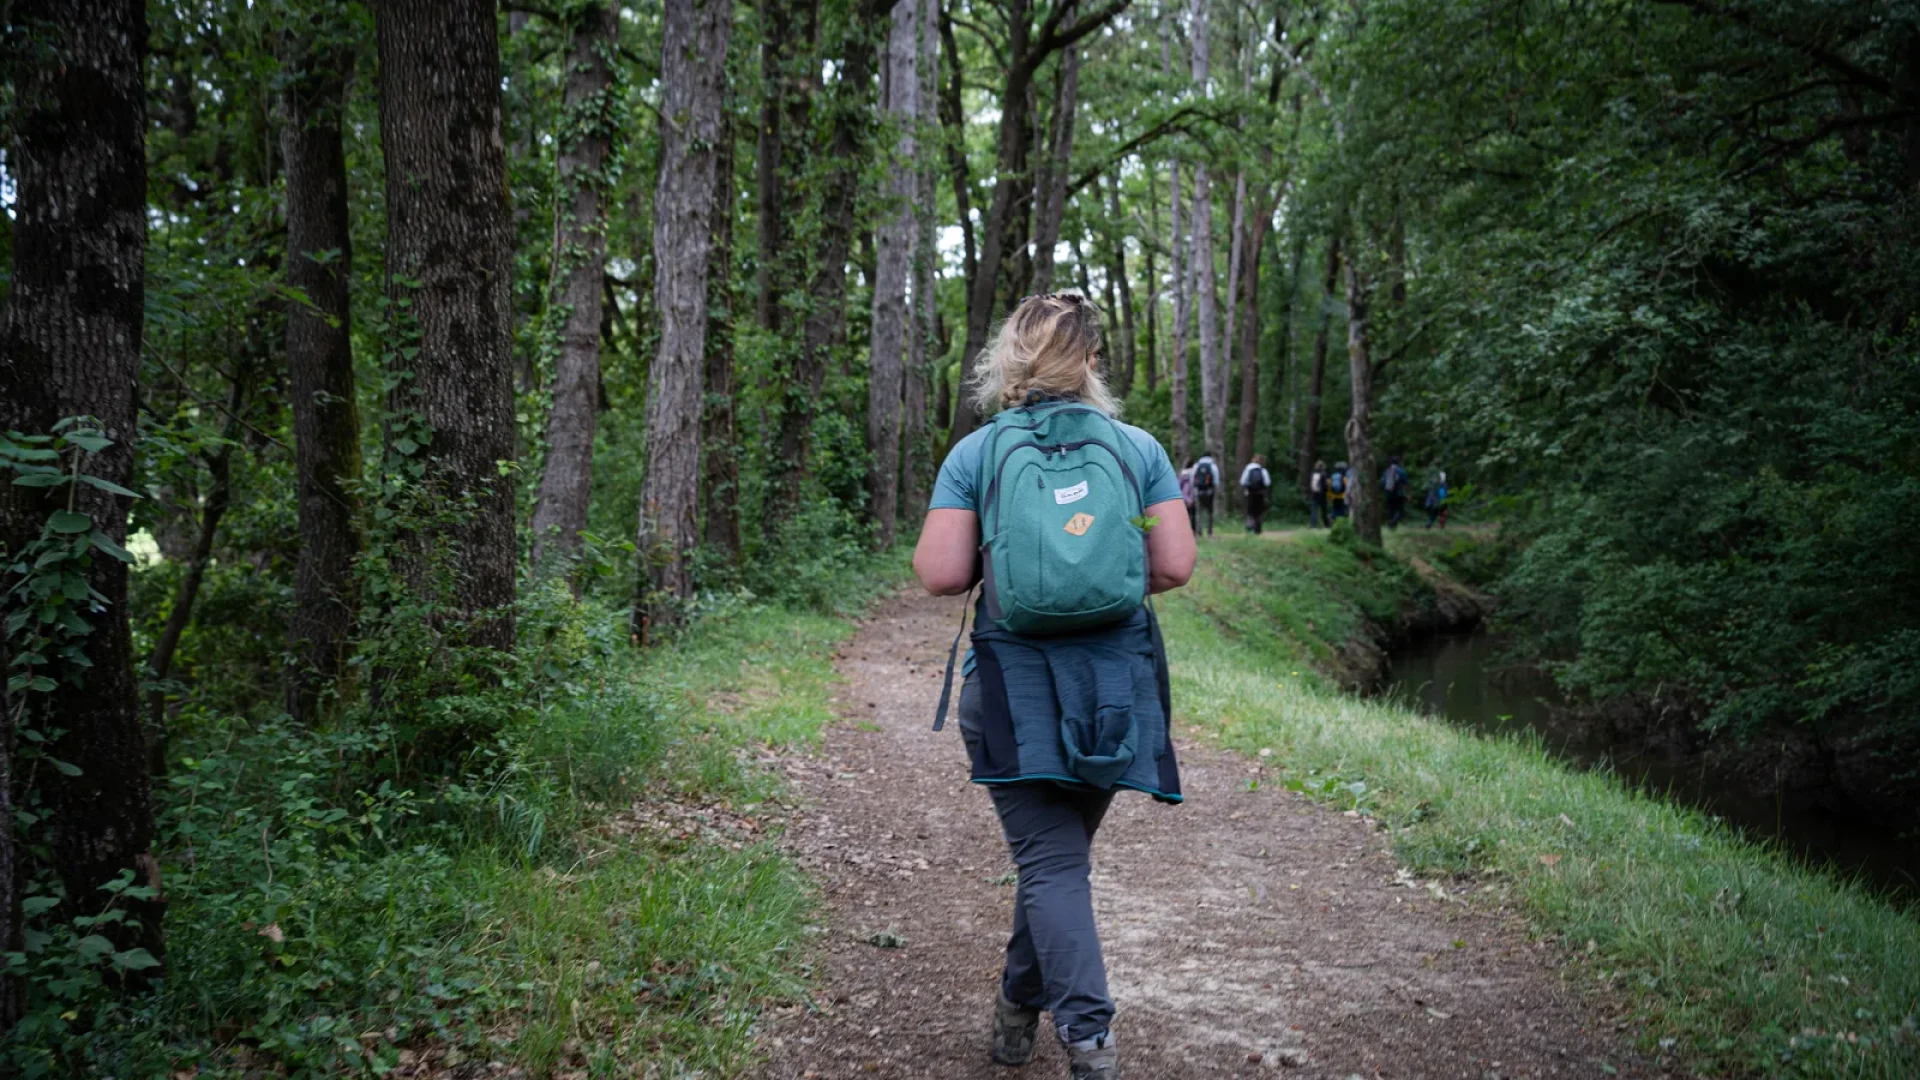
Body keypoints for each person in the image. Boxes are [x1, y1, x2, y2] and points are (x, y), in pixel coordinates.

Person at [912, 292, 1197, 1080]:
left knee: (1050, 863)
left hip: (1013, 689)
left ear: (1007, 362)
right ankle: (1015, 1013)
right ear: (1091, 362)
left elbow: (939, 573)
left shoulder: (978, 454)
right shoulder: (1136, 448)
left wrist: (1017, 563)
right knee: (1058, 860)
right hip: (1114, 690)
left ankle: (1087, 1043)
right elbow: (1173, 564)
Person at [1191, 450, 1221, 536]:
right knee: (1210, 512)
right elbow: (1216, 480)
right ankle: (1209, 531)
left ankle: (1199, 531)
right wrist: (1216, 490)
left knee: (1199, 512)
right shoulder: (1213, 466)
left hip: (1198, 491)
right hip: (1209, 491)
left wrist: (1194, 489)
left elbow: (1192, 479)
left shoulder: (1197, 466)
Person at [1239, 454, 1272, 534]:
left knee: (1250, 510)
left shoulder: (1248, 469)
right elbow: (1267, 482)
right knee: (1259, 510)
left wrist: (1248, 486)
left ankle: (1249, 526)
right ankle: (1258, 529)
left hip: (1250, 493)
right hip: (1260, 493)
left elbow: (1242, 481)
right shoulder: (1263, 470)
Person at [1381, 455, 1409, 529]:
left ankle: (1391, 525)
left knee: (1391, 510)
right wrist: (1407, 494)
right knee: (1400, 510)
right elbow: (1406, 483)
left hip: (1388, 494)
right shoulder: (1401, 471)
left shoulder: (1387, 471)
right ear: (1398, 462)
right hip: (1399, 494)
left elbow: (1382, 483)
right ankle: (1393, 522)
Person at [1308, 459, 1329, 528]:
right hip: (1322, 495)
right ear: (1323, 466)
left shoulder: (1313, 473)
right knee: (1324, 511)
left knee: (1314, 510)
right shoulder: (1324, 473)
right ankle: (1327, 525)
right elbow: (1325, 486)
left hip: (1314, 494)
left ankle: (1313, 525)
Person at [1179, 461, 1198, 531]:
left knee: (1185, 515)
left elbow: (1179, 486)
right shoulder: (1194, 473)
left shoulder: (1182, 473)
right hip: (1192, 497)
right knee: (1193, 515)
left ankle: (1184, 529)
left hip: (1183, 497)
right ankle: (1193, 530)